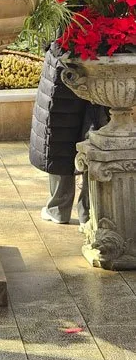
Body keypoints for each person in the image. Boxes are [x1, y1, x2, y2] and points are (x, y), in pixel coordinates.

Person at [30, 42, 108, 227]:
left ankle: (59, 208)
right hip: (96, 58)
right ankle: (88, 213)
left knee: (59, 138)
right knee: (90, 137)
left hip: (63, 64)